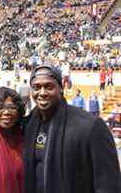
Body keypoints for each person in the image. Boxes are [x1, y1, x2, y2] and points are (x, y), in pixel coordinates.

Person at [24, 65, 121, 193]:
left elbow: (108, 183)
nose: (42, 93)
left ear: (61, 88)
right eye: (37, 87)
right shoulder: (28, 124)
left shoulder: (90, 126)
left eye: (49, 87)